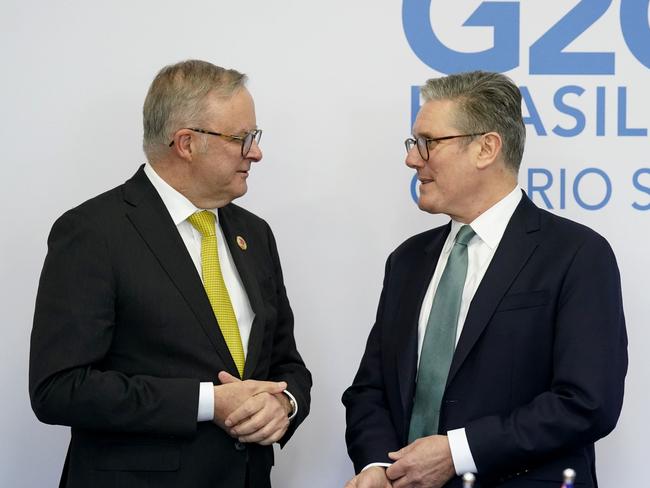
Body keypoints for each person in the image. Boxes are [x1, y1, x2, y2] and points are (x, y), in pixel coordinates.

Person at [29, 59, 311, 488]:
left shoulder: (254, 234)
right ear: (186, 143)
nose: (256, 152)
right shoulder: (93, 232)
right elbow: (59, 388)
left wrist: (285, 403)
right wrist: (206, 402)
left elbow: (286, 361)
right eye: (243, 139)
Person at [342, 71, 627, 488]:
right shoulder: (407, 261)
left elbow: (587, 402)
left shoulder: (576, 254)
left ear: (486, 148)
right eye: (413, 143)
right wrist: (375, 468)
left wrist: (459, 453)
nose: (412, 158)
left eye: (428, 142)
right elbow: (370, 390)